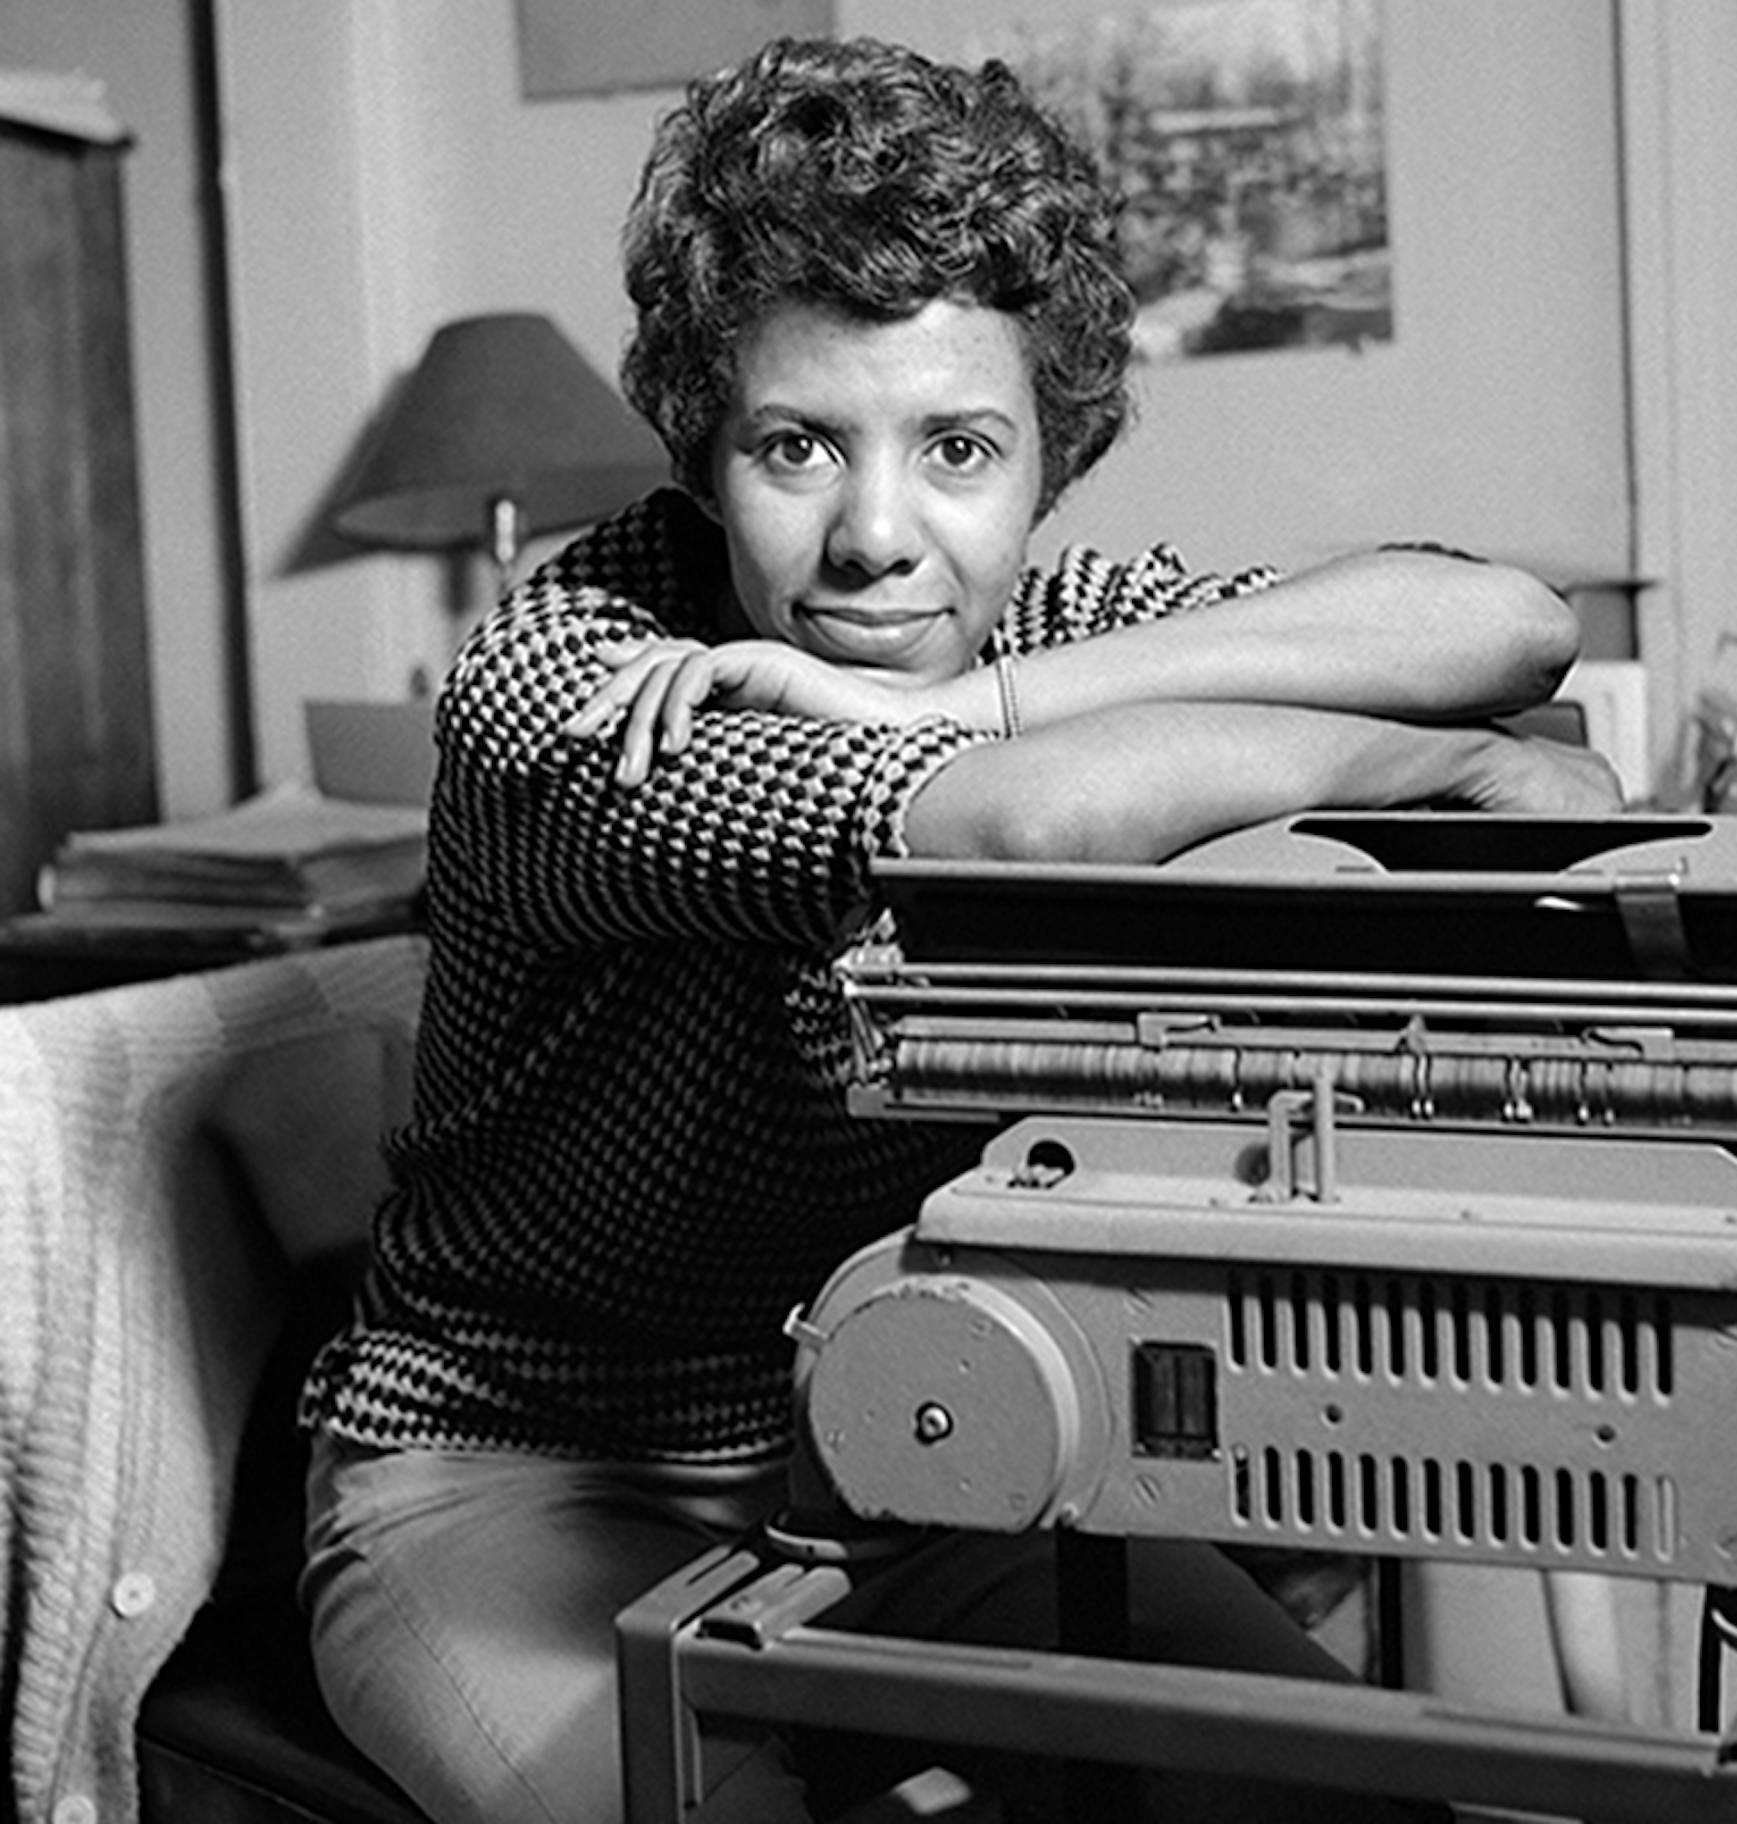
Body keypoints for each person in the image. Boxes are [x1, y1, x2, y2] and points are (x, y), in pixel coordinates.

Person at [296, 33, 1619, 1824]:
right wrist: (1433, 764)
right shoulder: (572, 677)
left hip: (911, 1454)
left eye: (959, 450)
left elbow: (1509, 625)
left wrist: (982, 700)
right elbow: (1026, 827)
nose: (877, 536)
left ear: (1048, 461)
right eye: (796, 446)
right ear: (700, 448)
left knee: (1345, 1802)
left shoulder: (1040, 643)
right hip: (510, 1475)